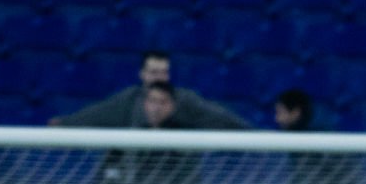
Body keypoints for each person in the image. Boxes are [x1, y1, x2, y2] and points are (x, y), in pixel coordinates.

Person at [50, 50, 249, 129]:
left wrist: (248, 131)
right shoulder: (128, 100)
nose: (158, 78)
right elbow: (97, 114)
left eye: (163, 73)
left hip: (179, 183)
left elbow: (218, 116)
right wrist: (67, 123)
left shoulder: (185, 100)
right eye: (153, 72)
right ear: (142, 74)